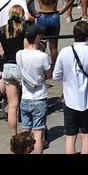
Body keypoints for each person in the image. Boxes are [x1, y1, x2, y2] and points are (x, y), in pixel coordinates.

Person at [52, 21, 88, 154]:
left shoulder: (65, 52)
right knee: (86, 135)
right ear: (87, 35)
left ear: (74, 35)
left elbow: (56, 76)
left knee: (70, 137)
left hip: (70, 100)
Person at [16, 23, 52, 154]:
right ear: (37, 37)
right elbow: (49, 76)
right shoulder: (42, 56)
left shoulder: (19, 54)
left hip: (25, 98)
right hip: (39, 97)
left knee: (26, 133)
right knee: (38, 135)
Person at [0, 5, 28, 138]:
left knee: (12, 106)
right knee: (26, 102)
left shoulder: (1, 30)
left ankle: (14, 136)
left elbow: (1, 52)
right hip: (21, 67)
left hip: (8, 67)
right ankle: (28, 133)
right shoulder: (23, 30)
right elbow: (26, 50)